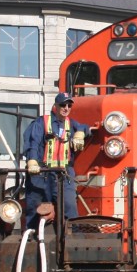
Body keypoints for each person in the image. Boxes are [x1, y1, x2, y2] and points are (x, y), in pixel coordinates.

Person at [22, 92, 90, 228]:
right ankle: (31, 237)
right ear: (55, 106)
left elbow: (85, 127)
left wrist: (81, 133)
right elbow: (33, 142)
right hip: (41, 173)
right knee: (35, 208)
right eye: (63, 105)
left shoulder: (71, 124)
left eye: (69, 105)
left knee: (70, 206)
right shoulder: (42, 122)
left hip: (64, 174)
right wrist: (32, 161)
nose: (66, 108)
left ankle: (71, 239)